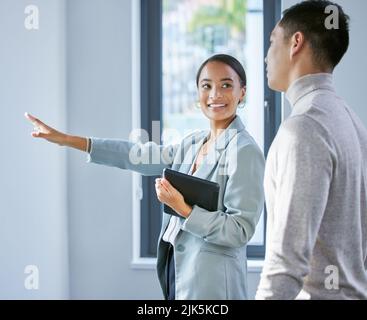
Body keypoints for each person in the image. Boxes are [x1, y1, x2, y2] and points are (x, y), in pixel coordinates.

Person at [25, 54, 265, 300]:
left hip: (213, 284)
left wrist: (184, 209)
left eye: (226, 85)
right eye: (207, 86)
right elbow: (137, 155)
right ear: (198, 93)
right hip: (177, 269)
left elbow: (240, 230)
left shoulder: (244, 151)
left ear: (242, 92)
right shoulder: (193, 142)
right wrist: (68, 140)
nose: (215, 94)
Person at [256, 0, 367, 300]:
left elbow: (287, 262)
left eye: (270, 43)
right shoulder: (352, 123)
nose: (266, 56)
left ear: (296, 43)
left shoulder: (304, 129)